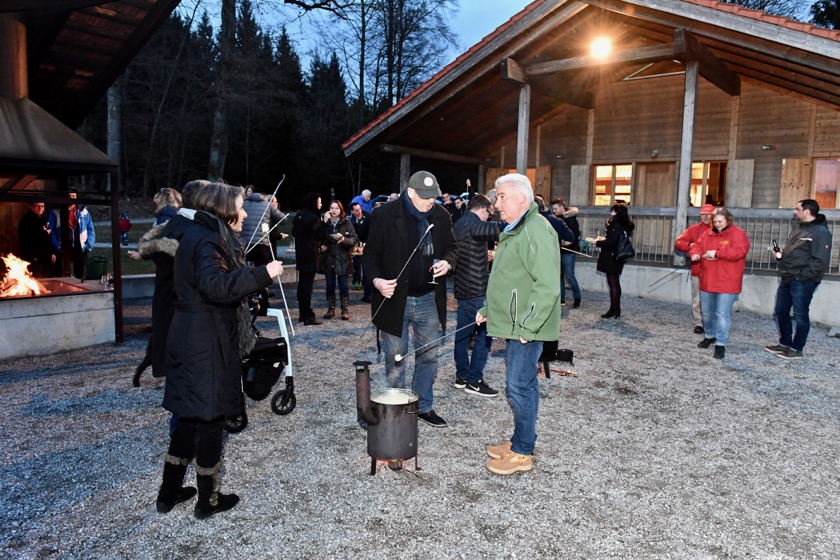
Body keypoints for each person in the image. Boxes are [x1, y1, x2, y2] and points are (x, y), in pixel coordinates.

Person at [158, 182, 283, 519]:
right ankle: (207, 501)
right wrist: (262, 274)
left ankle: (167, 495)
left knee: (187, 417)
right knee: (210, 420)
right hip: (205, 340)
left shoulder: (197, 235)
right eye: (240, 208)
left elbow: (210, 282)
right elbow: (215, 286)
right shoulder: (208, 239)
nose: (244, 214)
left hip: (192, 335)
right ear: (225, 210)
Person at [477, 173, 561, 476]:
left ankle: (523, 451)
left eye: (501, 197)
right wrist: (489, 308)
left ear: (521, 199)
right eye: (496, 197)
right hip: (517, 323)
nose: (496, 203)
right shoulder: (517, 228)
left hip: (527, 327)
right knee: (524, 384)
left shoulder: (535, 230)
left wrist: (529, 325)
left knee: (517, 387)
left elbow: (548, 286)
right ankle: (520, 441)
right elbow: (507, 277)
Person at [364, 170, 458, 428]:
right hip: (395, 299)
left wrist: (448, 263)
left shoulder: (441, 215)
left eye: (434, 197)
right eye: (426, 197)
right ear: (410, 192)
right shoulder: (384, 214)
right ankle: (395, 409)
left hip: (429, 297)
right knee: (396, 356)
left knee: (429, 355)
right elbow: (370, 255)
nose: (431, 202)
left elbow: (452, 247)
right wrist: (377, 281)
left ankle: (423, 406)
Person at [130, 181, 201, 387]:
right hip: (175, 284)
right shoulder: (177, 219)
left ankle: (165, 367)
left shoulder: (165, 218)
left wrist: (145, 252)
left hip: (169, 285)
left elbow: (162, 249)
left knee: (166, 328)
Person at [765, 199, 832, 360]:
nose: (795, 212)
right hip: (788, 277)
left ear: (807, 211)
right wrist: (781, 255)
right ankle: (785, 343)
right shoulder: (798, 229)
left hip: (802, 280)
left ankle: (797, 348)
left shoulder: (821, 233)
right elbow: (797, 253)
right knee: (781, 311)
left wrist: (802, 276)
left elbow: (821, 261)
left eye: (797, 209)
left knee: (800, 315)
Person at [452, 194, 501, 397]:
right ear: (482, 209)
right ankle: (474, 380)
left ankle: (462, 376)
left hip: (463, 287)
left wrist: (484, 255)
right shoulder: (474, 223)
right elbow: (498, 229)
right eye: (488, 214)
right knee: (484, 335)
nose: (488, 217)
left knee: (462, 334)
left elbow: (469, 249)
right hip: (476, 289)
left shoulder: (460, 223)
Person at [689, 208, 750, 360]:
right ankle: (710, 335)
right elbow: (697, 245)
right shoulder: (708, 233)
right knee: (707, 312)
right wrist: (695, 253)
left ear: (728, 220)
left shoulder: (738, 234)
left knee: (722, 314)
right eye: (715, 222)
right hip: (709, 279)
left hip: (728, 280)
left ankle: (721, 343)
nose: (717, 225)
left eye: (720, 222)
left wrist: (717, 253)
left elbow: (739, 251)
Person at [240, 190, 287, 315]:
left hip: (244, 243)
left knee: (245, 272)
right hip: (261, 244)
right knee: (263, 273)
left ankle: (248, 300)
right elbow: (283, 219)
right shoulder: (267, 205)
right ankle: (264, 303)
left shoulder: (244, 204)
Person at [587, 204, 635, 319]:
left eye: (612, 211)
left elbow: (611, 242)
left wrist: (596, 242)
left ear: (615, 212)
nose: (610, 214)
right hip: (618, 256)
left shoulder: (616, 224)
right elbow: (615, 239)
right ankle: (616, 308)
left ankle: (614, 309)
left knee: (613, 283)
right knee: (615, 282)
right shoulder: (624, 224)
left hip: (612, 256)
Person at [675, 204, 715, 334]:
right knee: (697, 298)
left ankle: (711, 322)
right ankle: (698, 323)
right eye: (703, 214)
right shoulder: (693, 229)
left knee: (712, 298)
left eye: (708, 214)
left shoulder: (718, 229)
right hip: (697, 269)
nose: (706, 217)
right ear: (700, 215)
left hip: (714, 271)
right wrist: (690, 245)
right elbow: (679, 243)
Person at [292, 192, 327, 325]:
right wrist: (325, 222)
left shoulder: (299, 215)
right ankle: (307, 315)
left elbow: (294, 232)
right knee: (307, 287)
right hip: (310, 254)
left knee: (302, 285)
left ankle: (303, 312)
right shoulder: (313, 218)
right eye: (319, 202)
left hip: (300, 253)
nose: (321, 205)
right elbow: (318, 235)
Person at [320, 200, 357, 320]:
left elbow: (354, 239)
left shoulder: (346, 222)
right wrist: (322, 246)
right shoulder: (325, 222)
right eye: (332, 208)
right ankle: (331, 309)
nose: (334, 210)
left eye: (337, 208)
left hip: (342, 257)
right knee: (330, 285)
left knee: (343, 285)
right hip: (329, 257)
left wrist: (344, 240)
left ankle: (344, 310)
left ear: (340, 210)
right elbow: (319, 236)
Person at [48, 188, 95, 281]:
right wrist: (57, 246)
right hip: (63, 249)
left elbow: (90, 229)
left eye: (73, 196)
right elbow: (51, 231)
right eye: (69, 196)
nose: (71, 198)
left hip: (81, 248)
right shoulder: (55, 212)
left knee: (81, 277)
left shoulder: (83, 211)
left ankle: (81, 294)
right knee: (62, 276)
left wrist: (89, 245)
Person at [552, 198, 582, 309]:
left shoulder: (571, 219)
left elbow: (572, 238)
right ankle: (561, 299)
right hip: (559, 251)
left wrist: (559, 243)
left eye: (556, 208)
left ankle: (577, 298)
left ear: (562, 207)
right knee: (559, 276)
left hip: (569, 252)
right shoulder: (556, 218)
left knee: (570, 276)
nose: (554, 211)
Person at [17, 201, 56, 278]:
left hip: (45, 257)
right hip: (34, 258)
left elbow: (49, 238)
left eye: (42, 206)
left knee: (46, 281)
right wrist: (45, 233)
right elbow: (30, 239)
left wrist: (51, 252)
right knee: (37, 281)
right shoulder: (27, 220)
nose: (40, 209)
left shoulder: (43, 219)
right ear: (30, 206)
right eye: (37, 206)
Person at [348, 202, 371, 301]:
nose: (359, 212)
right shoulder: (350, 220)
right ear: (352, 211)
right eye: (356, 210)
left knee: (367, 265)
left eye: (359, 209)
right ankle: (356, 281)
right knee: (357, 262)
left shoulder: (368, 216)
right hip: (357, 243)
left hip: (367, 242)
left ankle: (365, 283)